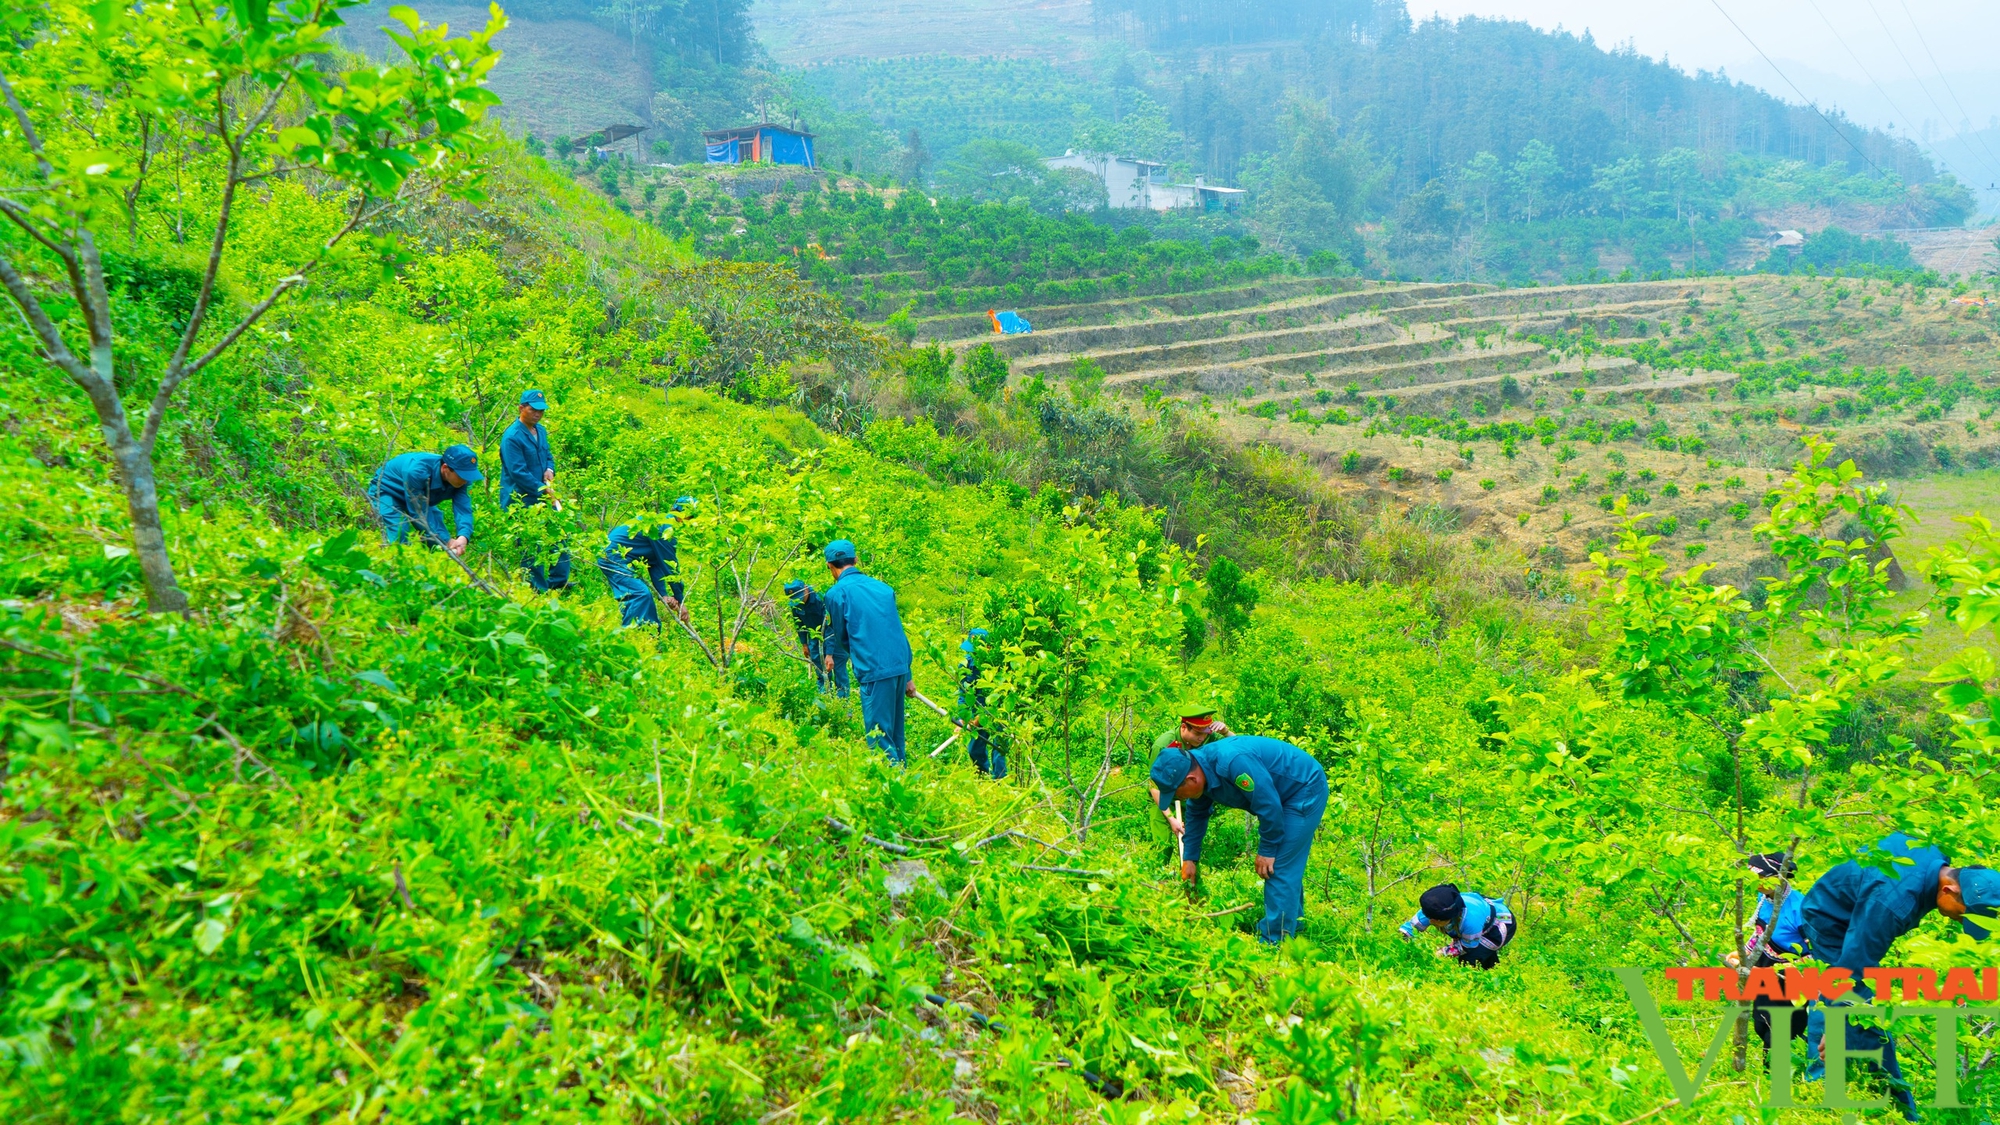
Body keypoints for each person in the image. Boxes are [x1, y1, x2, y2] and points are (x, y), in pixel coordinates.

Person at [1802, 833, 1999, 1121]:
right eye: (1965, 914)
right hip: (1830, 918)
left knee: (1851, 1004)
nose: (1960, 921)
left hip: (1856, 907)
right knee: (1862, 1011)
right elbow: (1850, 969)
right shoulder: (1892, 902)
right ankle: (1880, 1103)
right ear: (1949, 889)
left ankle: (1850, 1084)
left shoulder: (1932, 849)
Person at [1149, 731, 1328, 944]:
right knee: (1284, 864)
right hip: (1279, 795)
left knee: (1277, 866)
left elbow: (1269, 806)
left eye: (1177, 794)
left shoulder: (1232, 762)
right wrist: (1190, 859)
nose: (1178, 799)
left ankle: (1275, 941)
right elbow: (1196, 815)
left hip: (1303, 788)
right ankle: (1293, 925)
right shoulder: (1200, 771)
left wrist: (1268, 850)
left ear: (1191, 779)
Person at [821, 539, 915, 765]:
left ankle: (892, 788)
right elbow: (896, 630)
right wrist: (908, 675)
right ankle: (905, 783)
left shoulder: (836, 594)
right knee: (895, 733)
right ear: (855, 560)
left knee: (878, 737)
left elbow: (843, 637)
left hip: (874, 668)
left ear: (830, 566)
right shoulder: (883, 588)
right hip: (900, 665)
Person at [1729, 852, 1821, 1079]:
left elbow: (1817, 954)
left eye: (1761, 879)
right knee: (1762, 1025)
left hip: (1792, 975)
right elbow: (1761, 933)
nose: (1756, 885)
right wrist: (1745, 954)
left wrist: (1775, 972)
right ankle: (1788, 1064)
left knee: (1781, 1030)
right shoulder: (1764, 900)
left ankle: (1777, 1078)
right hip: (1765, 966)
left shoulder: (1800, 909)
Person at [499, 388, 570, 592]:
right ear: (521, 408)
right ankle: (536, 588)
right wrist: (545, 491)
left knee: (560, 534)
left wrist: (549, 469)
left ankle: (558, 583)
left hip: (544, 494)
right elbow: (518, 472)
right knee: (531, 544)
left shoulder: (541, 431)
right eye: (533, 410)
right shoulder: (512, 437)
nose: (538, 414)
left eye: (541, 410)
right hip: (521, 499)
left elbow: (547, 455)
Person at [597, 498, 692, 629]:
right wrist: (681, 602)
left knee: (638, 593)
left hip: (619, 556)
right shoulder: (665, 530)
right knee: (639, 594)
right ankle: (638, 634)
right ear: (682, 515)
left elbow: (655, 563)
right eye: (690, 517)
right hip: (613, 555)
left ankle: (646, 633)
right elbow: (670, 567)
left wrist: (663, 594)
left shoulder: (663, 523)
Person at [369, 444, 480, 554]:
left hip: (419, 496)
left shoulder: (462, 480)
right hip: (388, 490)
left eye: (469, 475)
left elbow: (463, 508)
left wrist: (463, 537)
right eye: (462, 475)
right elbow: (418, 512)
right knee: (400, 532)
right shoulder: (417, 471)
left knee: (434, 539)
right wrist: (447, 541)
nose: (466, 480)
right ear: (445, 468)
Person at [1400, 883, 1517, 969]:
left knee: (1469, 960)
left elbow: (1467, 946)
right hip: (1480, 916)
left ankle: (1483, 983)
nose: (1431, 921)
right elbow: (1410, 928)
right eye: (1429, 917)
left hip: (1499, 924)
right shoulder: (1434, 908)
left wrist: (1443, 952)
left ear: (1449, 917)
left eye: (1436, 920)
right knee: (1480, 955)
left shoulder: (1471, 920)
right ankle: (1491, 966)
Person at [783, 579, 848, 696]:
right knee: (821, 673)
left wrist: (829, 654)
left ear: (806, 588)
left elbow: (831, 627)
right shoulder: (796, 604)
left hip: (835, 638)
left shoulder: (822, 600)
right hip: (815, 639)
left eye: (800, 596)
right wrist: (804, 644)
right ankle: (825, 702)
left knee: (839, 673)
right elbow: (799, 624)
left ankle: (844, 707)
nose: (799, 601)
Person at [958, 627, 1003, 778]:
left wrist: (978, 720)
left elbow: (998, 697)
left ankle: (1000, 782)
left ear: (988, 648)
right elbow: (963, 693)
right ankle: (982, 777)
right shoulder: (965, 665)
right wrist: (963, 718)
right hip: (976, 710)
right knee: (974, 750)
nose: (972, 654)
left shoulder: (997, 665)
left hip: (997, 712)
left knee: (999, 748)